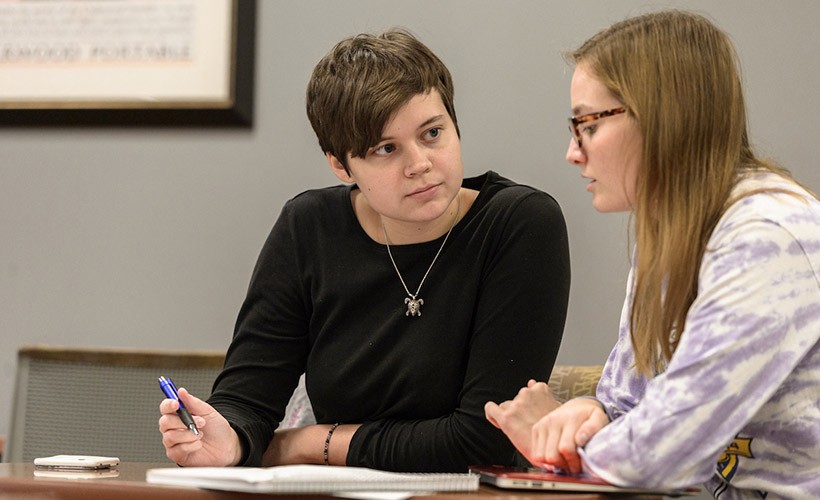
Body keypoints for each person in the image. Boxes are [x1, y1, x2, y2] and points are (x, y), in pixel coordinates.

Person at [159, 29, 571, 472]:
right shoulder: (309, 228)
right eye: (386, 149)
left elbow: (480, 439)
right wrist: (229, 440)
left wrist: (308, 443)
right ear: (341, 164)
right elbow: (248, 399)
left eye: (433, 133)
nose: (420, 164)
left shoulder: (519, 224)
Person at [485, 9, 820, 498]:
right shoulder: (669, 229)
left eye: (586, 124)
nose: (572, 152)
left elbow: (661, 452)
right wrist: (588, 414)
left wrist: (572, 437)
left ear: (661, 116)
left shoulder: (768, 235)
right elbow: (626, 403)